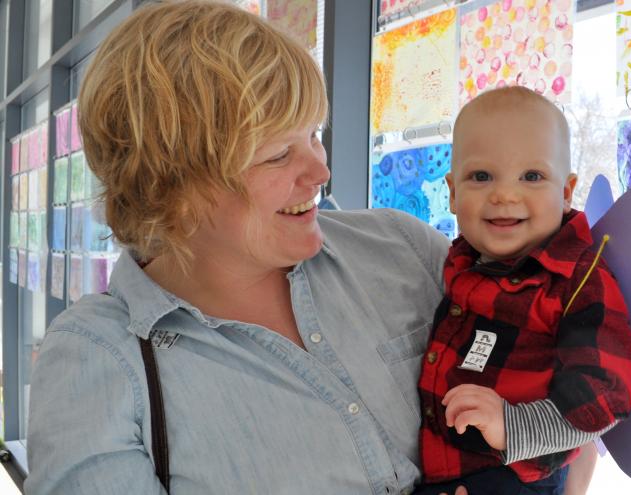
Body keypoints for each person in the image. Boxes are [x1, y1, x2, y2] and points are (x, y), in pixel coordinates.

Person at [27, 2, 453, 493]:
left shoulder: (402, 249)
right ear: (173, 187)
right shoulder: (99, 360)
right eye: (278, 155)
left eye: (313, 134)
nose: (320, 172)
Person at [414, 87, 631, 495]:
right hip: (443, 469)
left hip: (517, 474)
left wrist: (513, 426)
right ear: (451, 192)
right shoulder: (462, 261)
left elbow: (605, 393)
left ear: (566, 192)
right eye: (481, 176)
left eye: (532, 177)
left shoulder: (576, 277)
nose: (504, 195)